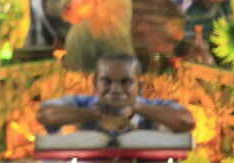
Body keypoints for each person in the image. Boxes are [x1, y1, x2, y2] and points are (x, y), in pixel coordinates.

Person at [35, 54, 194, 150]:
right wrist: (95, 114)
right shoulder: (82, 103)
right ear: (95, 84)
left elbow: (186, 121)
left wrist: (136, 106)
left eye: (125, 82)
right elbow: (45, 114)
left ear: (139, 87)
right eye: (107, 82)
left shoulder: (151, 107)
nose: (116, 89)